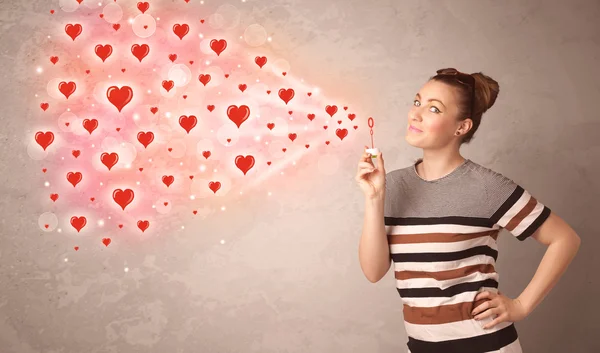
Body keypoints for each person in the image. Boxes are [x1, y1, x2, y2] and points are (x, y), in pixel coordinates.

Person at [355, 68, 581, 353]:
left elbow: (565, 239)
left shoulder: (487, 187)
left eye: (433, 108)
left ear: (461, 127)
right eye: (417, 102)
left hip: (485, 345)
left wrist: (521, 306)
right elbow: (374, 272)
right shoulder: (393, 184)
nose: (416, 114)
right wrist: (375, 197)